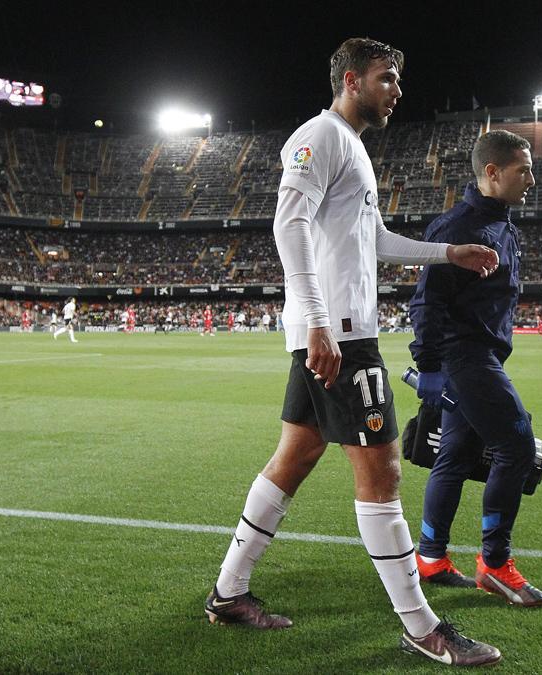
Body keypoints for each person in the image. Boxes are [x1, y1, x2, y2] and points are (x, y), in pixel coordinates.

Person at [206, 37, 502, 667]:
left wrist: (448, 254)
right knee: (383, 474)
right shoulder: (323, 135)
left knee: (292, 459)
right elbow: (289, 226)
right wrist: (319, 324)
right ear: (350, 79)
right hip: (338, 335)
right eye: (387, 78)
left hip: (334, 331)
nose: (397, 89)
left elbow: (373, 240)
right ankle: (422, 627)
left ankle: (228, 593)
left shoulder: (354, 149)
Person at [408, 130, 542, 608]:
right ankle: (494, 563)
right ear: (492, 173)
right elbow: (426, 301)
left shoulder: (503, 226)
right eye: (522, 170)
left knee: (456, 455)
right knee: (517, 446)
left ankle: (430, 558)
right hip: (465, 355)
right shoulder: (458, 227)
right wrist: (428, 365)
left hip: (477, 355)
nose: (531, 179)